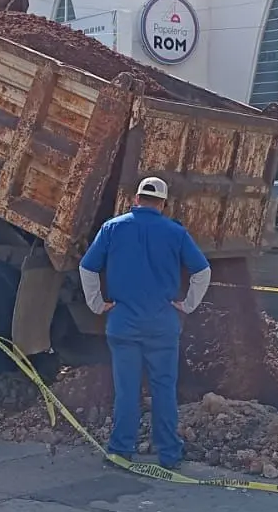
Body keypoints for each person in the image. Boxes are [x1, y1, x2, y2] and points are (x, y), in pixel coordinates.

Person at [79, 177, 213, 469]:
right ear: (163, 204)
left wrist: (97, 304)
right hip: (162, 326)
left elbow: (87, 267)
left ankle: (120, 451)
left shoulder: (112, 228)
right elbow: (202, 271)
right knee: (164, 390)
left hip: (123, 326)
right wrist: (188, 305)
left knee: (127, 391)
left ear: (136, 199)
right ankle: (169, 455)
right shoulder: (175, 232)